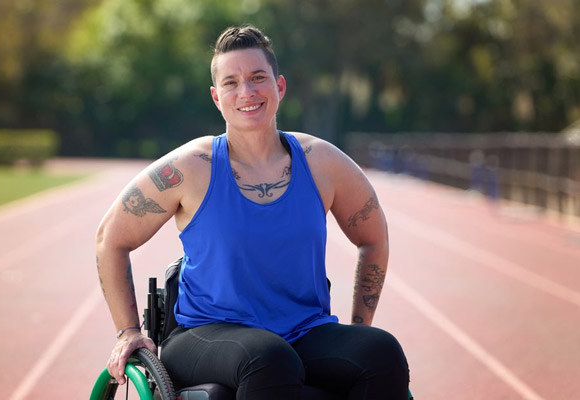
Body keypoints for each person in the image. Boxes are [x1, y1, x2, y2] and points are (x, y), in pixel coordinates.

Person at [96, 25, 409, 399]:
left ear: (279, 87)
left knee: (381, 352)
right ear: (216, 97)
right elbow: (109, 239)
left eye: (258, 78)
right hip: (205, 334)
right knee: (269, 358)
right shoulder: (190, 167)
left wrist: (360, 327)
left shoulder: (322, 162)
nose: (246, 92)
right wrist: (128, 330)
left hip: (304, 332)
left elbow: (374, 238)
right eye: (231, 82)